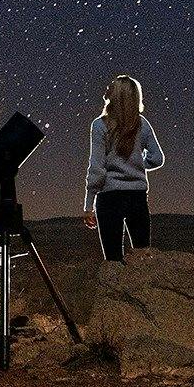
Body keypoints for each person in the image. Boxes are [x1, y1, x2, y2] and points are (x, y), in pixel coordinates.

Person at [82, 73, 164, 261]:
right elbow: (157, 158)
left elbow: (96, 168)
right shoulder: (142, 125)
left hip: (109, 198)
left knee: (112, 261)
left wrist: (88, 205)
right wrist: (136, 166)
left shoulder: (99, 126)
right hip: (137, 197)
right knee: (143, 258)